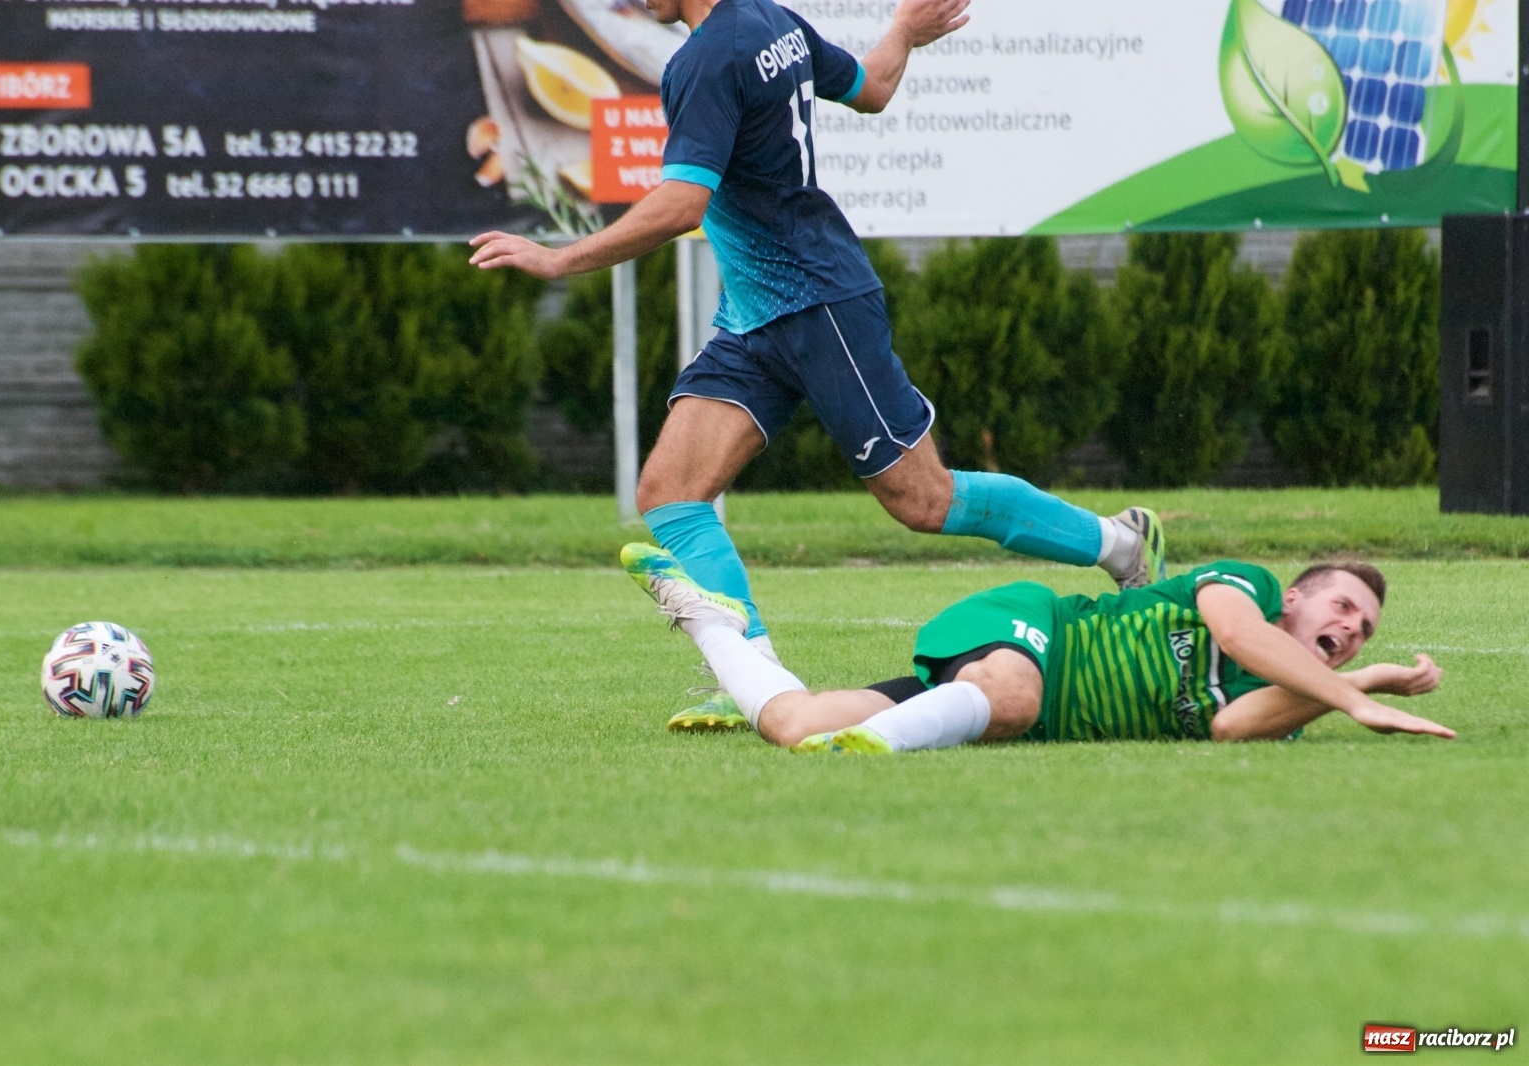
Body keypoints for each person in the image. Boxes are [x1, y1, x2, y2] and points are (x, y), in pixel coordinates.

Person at [471, 0, 1164, 731]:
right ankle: (757, 680)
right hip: (754, 316)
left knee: (923, 501)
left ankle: (1120, 541)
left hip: (819, 306)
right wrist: (901, 31)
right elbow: (870, 87)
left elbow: (681, 204)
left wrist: (561, 258)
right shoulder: (775, 23)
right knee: (672, 493)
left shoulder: (706, 57)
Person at [620, 542, 1456, 750]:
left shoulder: (1291, 702)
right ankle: (870, 749)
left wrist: (1362, 684)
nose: (1347, 630)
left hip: (990, 705)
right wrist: (1357, 698)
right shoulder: (1250, 588)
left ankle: (707, 621)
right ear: (1301, 593)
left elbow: (1230, 729)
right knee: (1015, 698)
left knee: (791, 724)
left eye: (1361, 635)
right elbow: (1235, 635)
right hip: (1032, 632)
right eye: (1344, 607)